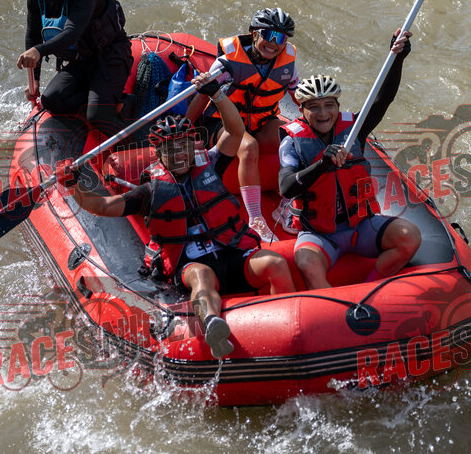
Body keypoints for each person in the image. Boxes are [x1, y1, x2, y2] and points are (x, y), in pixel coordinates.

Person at [58, 75, 295, 358]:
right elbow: (101, 206)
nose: (178, 154)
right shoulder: (149, 191)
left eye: (183, 146)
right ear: (158, 154)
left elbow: (235, 131)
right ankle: (213, 326)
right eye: (170, 149)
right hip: (190, 264)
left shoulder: (212, 164)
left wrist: (217, 95)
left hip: (232, 254)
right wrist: (74, 186)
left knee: (274, 262)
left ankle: (289, 323)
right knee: (202, 276)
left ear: (192, 146)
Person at [277, 30, 421, 290]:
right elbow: (287, 187)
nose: (323, 113)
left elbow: (383, 100)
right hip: (319, 233)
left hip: (361, 225)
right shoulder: (292, 142)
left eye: (329, 105)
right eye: (314, 107)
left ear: (337, 106)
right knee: (307, 263)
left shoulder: (354, 129)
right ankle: (334, 308)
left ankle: (370, 289)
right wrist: (322, 165)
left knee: (409, 235)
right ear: (302, 109)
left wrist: (398, 58)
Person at [187, 7, 300, 242]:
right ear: (254, 33)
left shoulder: (287, 63)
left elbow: (299, 96)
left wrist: (318, 120)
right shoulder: (228, 62)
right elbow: (203, 95)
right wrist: (186, 128)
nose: (274, 43)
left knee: (297, 138)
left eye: (280, 38)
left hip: (262, 121)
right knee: (248, 147)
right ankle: (256, 218)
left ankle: (287, 205)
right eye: (268, 35)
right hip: (223, 124)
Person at [16, 0, 132, 134]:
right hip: (82, 60)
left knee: (98, 117)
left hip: (111, 56)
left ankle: (130, 116)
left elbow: (71, 34)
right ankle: (102, 98)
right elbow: (33, 34)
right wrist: (35, 79)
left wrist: (39, 51)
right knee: (51, 100)